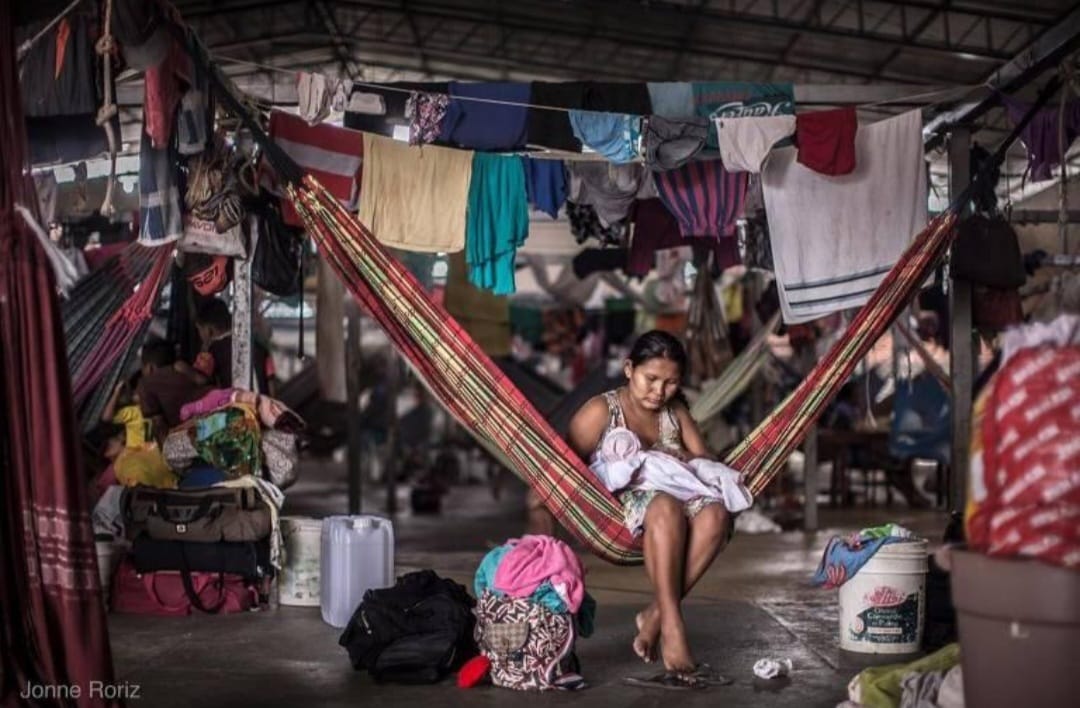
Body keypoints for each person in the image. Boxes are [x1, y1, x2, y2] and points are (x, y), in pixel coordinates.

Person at [567, 331, 732, 685]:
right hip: (626, 504)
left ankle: (655, 615)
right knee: (665, 507)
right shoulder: (601, 410)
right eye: (651, 379)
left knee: (717, 513)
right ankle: (672, 626)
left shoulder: (676, 414)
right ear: (629, 369)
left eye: (671, 383)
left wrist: (680, 456)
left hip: (681, 494)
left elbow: (706, 462)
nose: (659, 391)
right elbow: (565, 468)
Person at [191, 298, 275, 395]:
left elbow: (199, 379)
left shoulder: (212, 351)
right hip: (263, 407)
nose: (200, 335)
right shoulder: (261, 349)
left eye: (199, 330)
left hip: (236, 408)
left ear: (209, 330)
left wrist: (180, 367)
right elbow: (271, 387)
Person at [137, 339, 210, 435]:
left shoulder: (146, 384)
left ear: (150, 368)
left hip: (193, 433)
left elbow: (158, 424)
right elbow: (204, 381)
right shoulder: (185, 370)